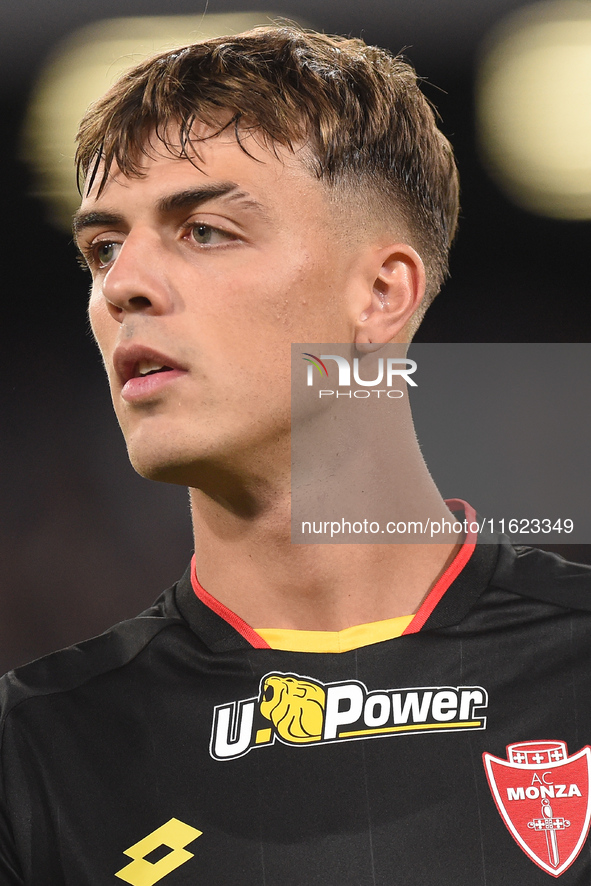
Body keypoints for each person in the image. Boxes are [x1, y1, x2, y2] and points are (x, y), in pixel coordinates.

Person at [1, 25, 591, 885]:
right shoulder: (37, 749)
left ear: (382, 294)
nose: (122, 284)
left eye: (204, 231)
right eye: (102, 247)